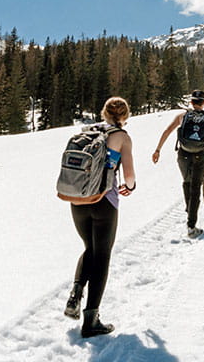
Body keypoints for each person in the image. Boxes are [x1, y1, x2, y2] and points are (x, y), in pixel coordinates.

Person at [66, 96, 136, 338]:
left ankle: (75, 296)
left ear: (104, 113)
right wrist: (131, 186)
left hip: (77, 199)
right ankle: (91, 320)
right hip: (104, 202)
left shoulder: (87, 132)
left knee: (89, 249)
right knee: (102, 255)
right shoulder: (122, 137)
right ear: (125, 116)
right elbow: (129, 177)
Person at [152, 89, 204, 238]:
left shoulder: (182, 116)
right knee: (196, 188)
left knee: (187, 182)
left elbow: (168, 131)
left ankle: (190, 209)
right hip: (200, 154)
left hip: (183, 154)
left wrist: (158, 150)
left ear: (191, 101)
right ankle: (191, 225)